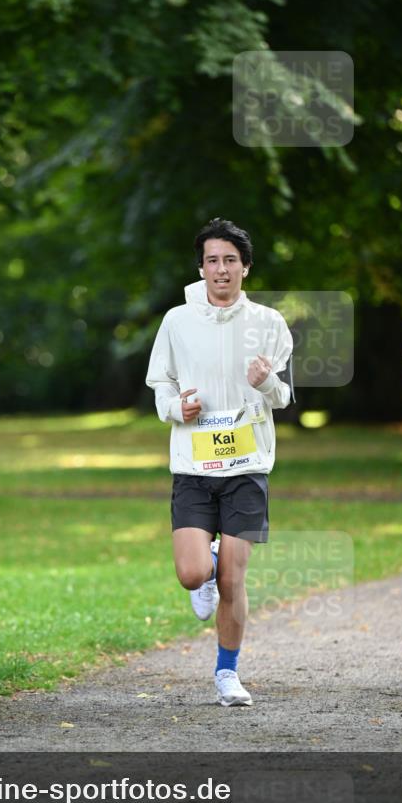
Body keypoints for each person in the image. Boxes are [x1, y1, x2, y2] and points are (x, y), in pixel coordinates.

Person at [145, 218, 294, 707]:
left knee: (234, 579)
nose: (221, 269)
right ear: (202, 267)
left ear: (245, 268)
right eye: (213, 260)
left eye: (231, 260)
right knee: (193, 574)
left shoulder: (269, 323)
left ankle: (227, 674)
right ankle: (205, 566)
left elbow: (285, 396)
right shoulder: (177, 321)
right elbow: (161, 385)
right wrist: (176, 408)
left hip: (248, 465)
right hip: (193, 465)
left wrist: (265, 382)